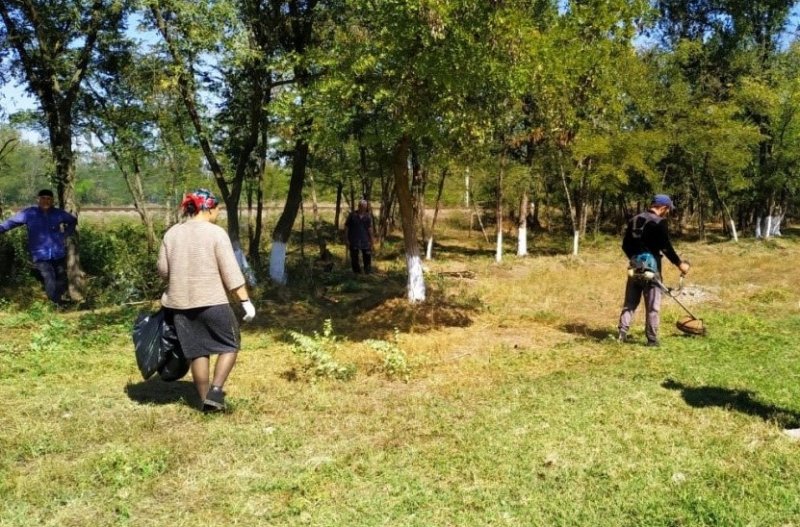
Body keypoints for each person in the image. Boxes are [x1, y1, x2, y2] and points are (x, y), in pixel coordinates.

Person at [157, 189, 256, 412]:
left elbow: (163, 271)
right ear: (208, 208)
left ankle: (205, 402)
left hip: (180, 304)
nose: (218, 213)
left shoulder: (172, 233)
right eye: (217, 209)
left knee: (197, 351)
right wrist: (245, 301)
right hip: (212, 301)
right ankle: (216, 391)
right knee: (230, 342)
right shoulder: (215, 233)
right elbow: (230, 271)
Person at [617, 194, 691, 347]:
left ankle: (621, 334)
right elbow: (666, 247)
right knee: (653, 306)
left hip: (634, 267)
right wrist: (680, 264)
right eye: (668, 209)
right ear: (663, 207)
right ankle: (652, 339)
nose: (668, 213)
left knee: (630, 303)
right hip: (652, 269)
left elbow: (625, 245)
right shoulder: (659, 222)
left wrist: (636, 259)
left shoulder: (635, 219)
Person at [0, 189, 77, 306]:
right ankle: (56, 303)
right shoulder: (29, 213)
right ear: (38, 199)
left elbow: (72, 220)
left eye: (49, 199)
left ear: (52, 201)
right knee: (48, 276)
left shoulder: (58, 213)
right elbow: (10, 223)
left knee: (61, 277)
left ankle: (57, 300)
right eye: (43, 198)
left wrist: (64, 235)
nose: (46, 201)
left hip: (58, 252)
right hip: (39, 253)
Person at [344, 199, 375, 274]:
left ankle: (367, 272)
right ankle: (357, 273)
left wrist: (372, 240)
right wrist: (346, 238)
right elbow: (346, 227)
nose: (363, 208)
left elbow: (369, 228)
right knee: (354, 258)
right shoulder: (352, 215)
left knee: (367, 257)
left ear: (366, 207)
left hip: (365, 240)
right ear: (358, 206)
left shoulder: (368, 217)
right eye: (361, 206)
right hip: (353, 240)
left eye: (365, 206)